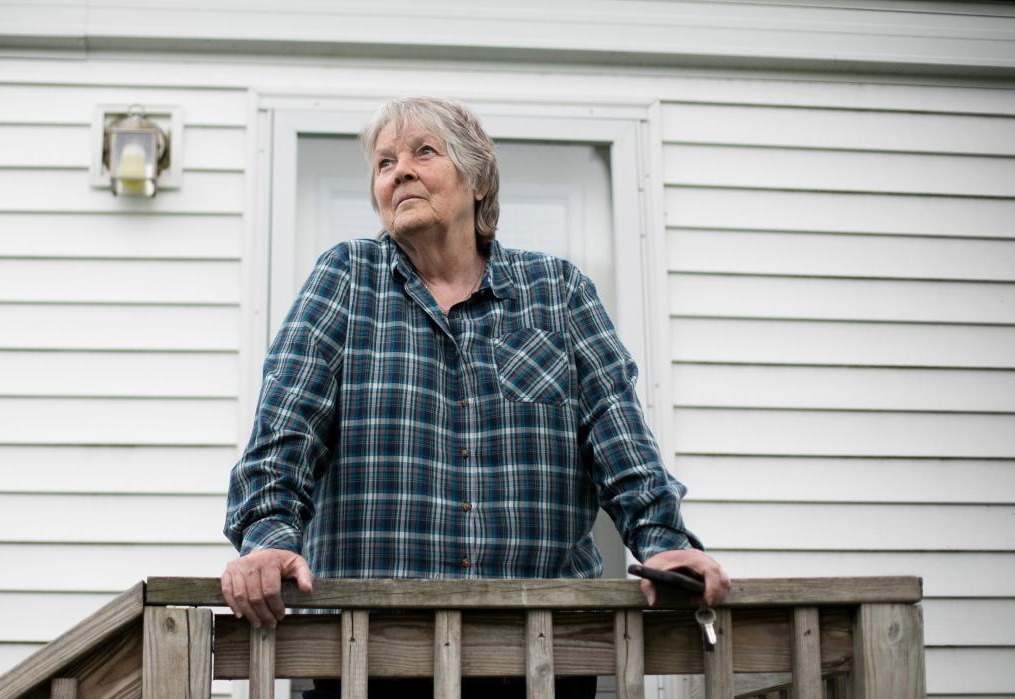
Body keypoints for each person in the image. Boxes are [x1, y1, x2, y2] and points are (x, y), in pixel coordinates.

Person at [222, 96, 730, 698]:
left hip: (542, 655)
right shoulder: (346, 279)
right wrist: (269, 539)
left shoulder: (558, 293)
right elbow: (283, 438)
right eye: (384, 163)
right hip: (369, 655)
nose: (399, 171)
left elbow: (622, 445)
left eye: (423, 153)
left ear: (478, 180)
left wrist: (664, 543)